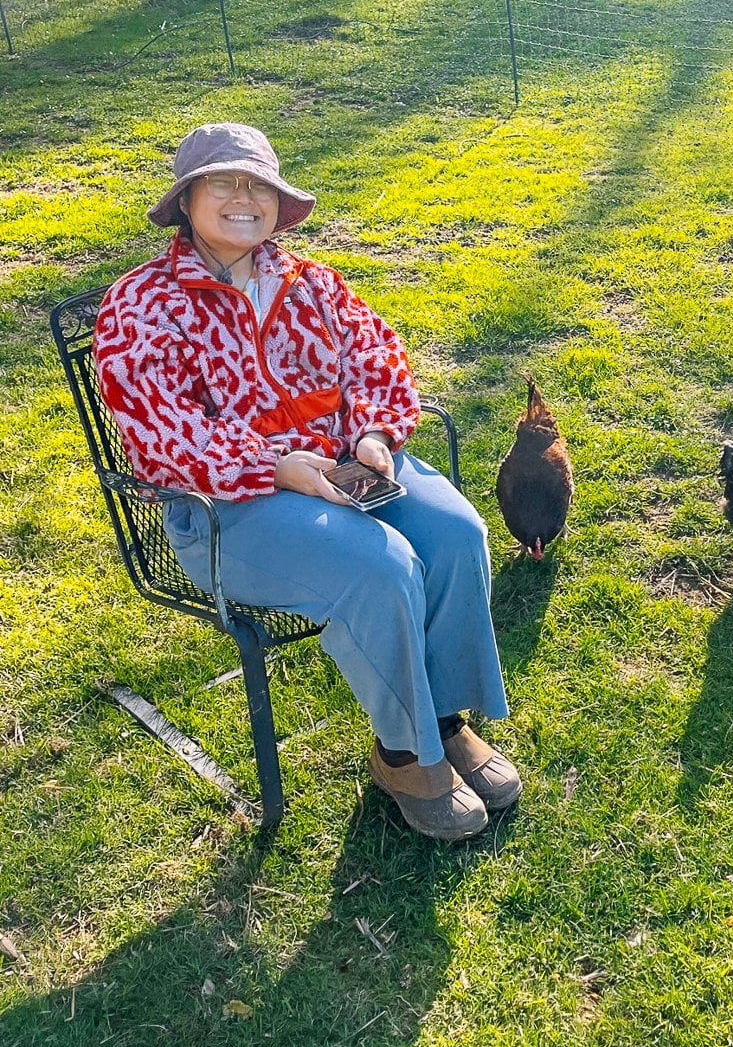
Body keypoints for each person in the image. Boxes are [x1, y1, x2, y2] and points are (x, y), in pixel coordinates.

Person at [94, 122, 518, 841]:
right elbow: (160, 431)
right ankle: (405, 755)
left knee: (453, 532)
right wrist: (275, 467)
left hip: (343, 466)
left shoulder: (311, 282)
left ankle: (443, 720)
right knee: (380, 566)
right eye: (223, 182)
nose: (243, 198)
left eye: (259, 185)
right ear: (187, 198)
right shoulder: (144, 302)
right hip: (228, 504)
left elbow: (376, 358)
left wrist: (374, 435)